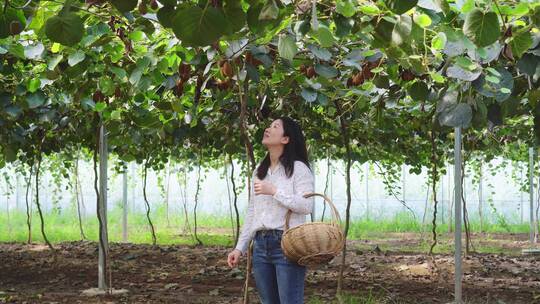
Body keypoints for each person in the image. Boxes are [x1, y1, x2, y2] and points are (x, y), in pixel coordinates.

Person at [227, 117, 314, 304]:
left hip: (287, 244)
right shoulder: (260, 170)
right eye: (270, 125)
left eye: (275, 126)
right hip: (260, 245)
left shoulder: (299, 169)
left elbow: (307, 206)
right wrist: (239, 248)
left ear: (286, 139)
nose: (268, 128)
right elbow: (253, 212)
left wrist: (274, 191)